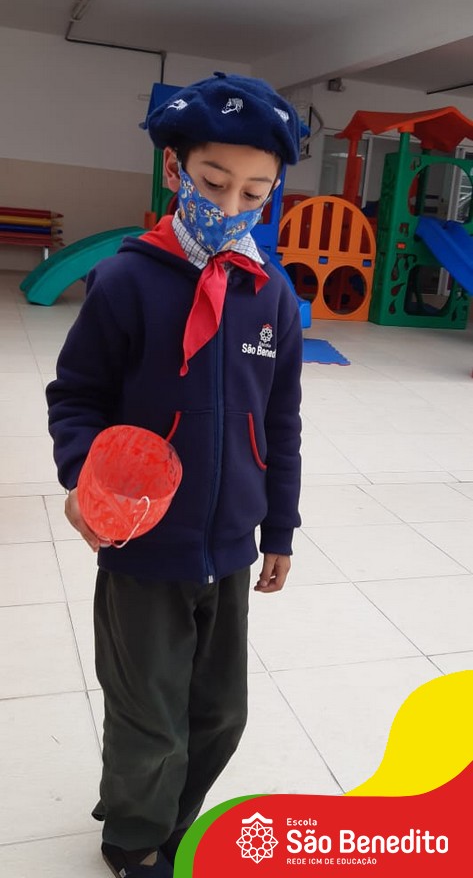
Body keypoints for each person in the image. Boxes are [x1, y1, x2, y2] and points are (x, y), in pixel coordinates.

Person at [46, 73, 303, 878]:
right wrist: (83, 476)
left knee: (220, 714)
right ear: (173, 168)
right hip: (144, 544)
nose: (230, 204)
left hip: (229, 545)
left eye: (254, 191)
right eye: (212, 181)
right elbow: (76, 395)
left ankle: (166, 815)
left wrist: (278, 526)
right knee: (147, 717)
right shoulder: (127, 280)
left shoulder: (271, 293)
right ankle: (134, 838)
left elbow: (281, 420)